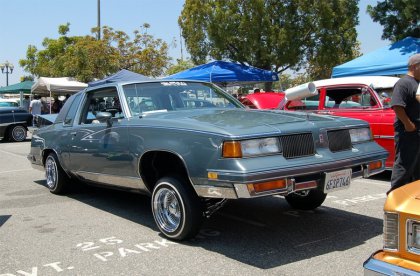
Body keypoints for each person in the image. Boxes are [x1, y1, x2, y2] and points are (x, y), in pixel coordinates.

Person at [388, 53, 420, 194]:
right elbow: (397, 105)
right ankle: (394, 200)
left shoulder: (418, 84)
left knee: (417, 168)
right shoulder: (404, 82)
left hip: (416, 132)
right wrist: (408, 124)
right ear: (415, 66)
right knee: (404, 166)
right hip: (409, 132)